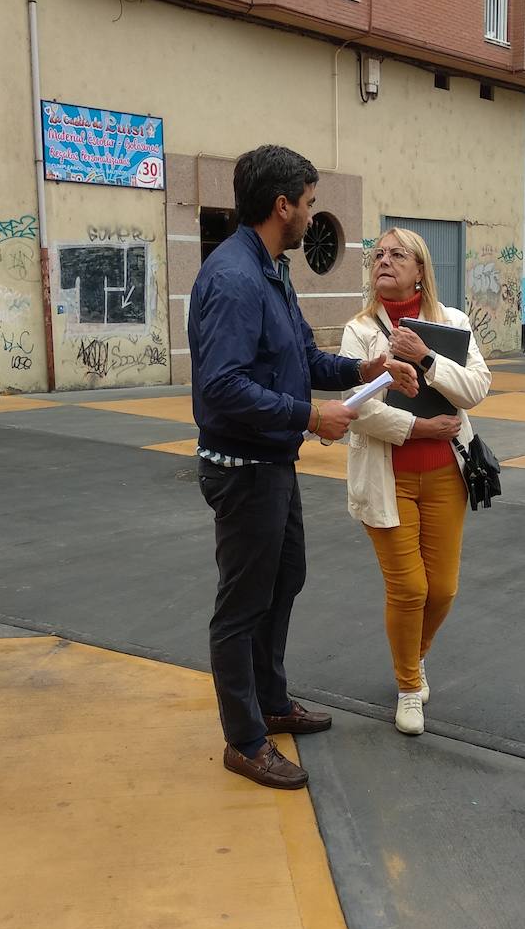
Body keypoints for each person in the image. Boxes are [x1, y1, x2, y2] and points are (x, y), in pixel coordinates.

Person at [188, 145, 419, 790]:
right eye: (310, 203)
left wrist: (363, 371)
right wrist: (309, 418)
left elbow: (297, 357)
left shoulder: (270, 268)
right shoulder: (234, 278)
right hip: (243, 467)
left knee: (284, 580)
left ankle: (270, 699)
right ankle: (244, 738)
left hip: (271, 461)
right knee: (241, 605)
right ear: (281, 205)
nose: (313, 216)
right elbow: (222, 386)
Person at [338, 228, 491, 735]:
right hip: (388, 479)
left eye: (397, 254)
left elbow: (476, 389)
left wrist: (425, 357)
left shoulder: (453, 323)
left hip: (447, 476)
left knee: (442, 590)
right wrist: (419, 427)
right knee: (409, 589)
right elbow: (356, 413)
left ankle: (414, 654)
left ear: (420, 268)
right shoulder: (360, 331)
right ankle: (408, 686)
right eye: (377, 254)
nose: (384, 261)